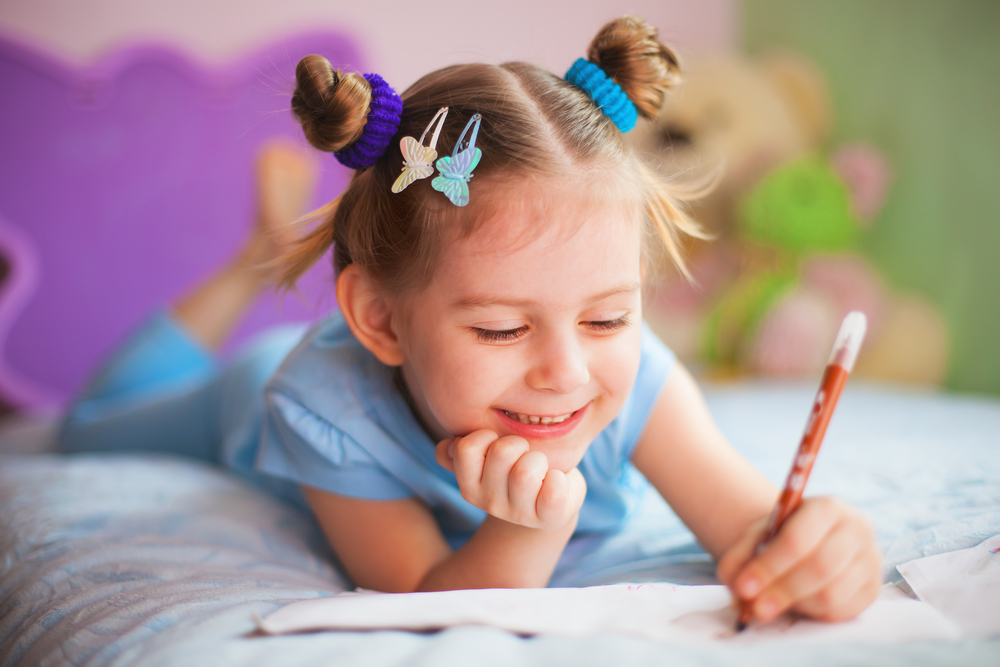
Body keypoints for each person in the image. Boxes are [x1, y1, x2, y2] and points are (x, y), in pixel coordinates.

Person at [59, 16, 882, 626]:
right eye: (500, 329)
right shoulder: (317, 401)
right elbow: (421, 597)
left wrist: (822, 550)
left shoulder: (630, 379)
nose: (567, 371)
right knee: (84, 426)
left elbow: (754, 526)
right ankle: (257, 258)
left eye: (606, 316)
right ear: (379, 318)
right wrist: (531, 528)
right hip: (243, 389)